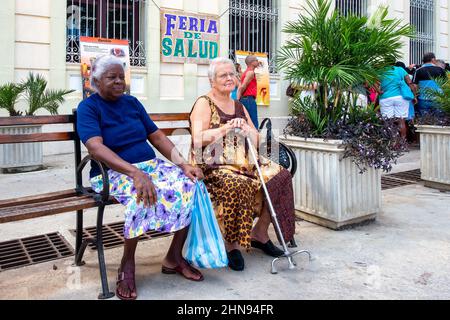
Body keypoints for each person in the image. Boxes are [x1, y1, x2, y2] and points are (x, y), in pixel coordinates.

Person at [76, 55, 205, 300]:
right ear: (95, 81)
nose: (118, 81)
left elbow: (157, 137)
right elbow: (95, 148)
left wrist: (184, 164)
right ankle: (127, 263)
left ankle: (174, 257)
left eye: (120, 77)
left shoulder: (132, 103)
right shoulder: (88, 108)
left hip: (149, 166)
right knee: (141, 195)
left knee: (191, 184)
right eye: (111, 77)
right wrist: (135, 172)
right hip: (111, 172)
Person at [189, 57, 296, 272]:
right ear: (212, 81)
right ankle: (231, 245)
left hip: (246, 162)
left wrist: (249, 131)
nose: (229, 78)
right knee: (237, 183)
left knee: (281, 176)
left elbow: (258, 141)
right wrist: (226, 128)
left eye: (232, 74)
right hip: (215, 166)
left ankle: (260, 233)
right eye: (223, 75)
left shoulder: (238, 105)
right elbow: (198, 138)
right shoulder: (204, 102)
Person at [379, 62, 416, 139]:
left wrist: (378, 91)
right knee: (401, 120)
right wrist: (414, 96)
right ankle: (402, 142)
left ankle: (392, 142)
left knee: (388, 121)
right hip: (401, 97)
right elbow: (409, 83)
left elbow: (372, 81)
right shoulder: (400, 70)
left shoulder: (381, 71)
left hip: (386, 98)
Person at [237, 55, 260, 128]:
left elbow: (240, 87)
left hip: (245, 99)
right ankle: (255, 138)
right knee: (253, 123)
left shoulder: (245, 72)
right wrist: (238, 99)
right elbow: (243, 86)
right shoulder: (250, 73)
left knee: (246, 123)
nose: (258, 62)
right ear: (252, 62)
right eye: (256, 60)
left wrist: (239, 99)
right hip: (248, 100)